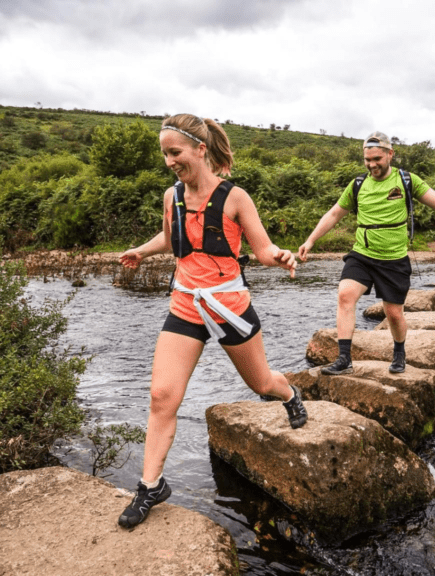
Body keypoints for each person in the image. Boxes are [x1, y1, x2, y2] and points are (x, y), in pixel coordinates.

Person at [116, 113, 307, 529]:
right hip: (185, 304)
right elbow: (171, 237)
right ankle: (151, 486)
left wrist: (282, 256)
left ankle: (290, 395)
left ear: (200, 150)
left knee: (262, 384)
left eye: (175, 152)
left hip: (228, 306)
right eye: (165, 154)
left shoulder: (236, 197)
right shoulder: (172, 197)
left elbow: (262, 249)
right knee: (161, 395)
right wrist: (141, 251)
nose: (169, 161)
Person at [297, 131, 435, 375]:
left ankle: (399, 352)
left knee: (393, 313)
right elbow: (334, 214)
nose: (372, 164)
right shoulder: (357, 185)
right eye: (367, 160)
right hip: (362, 254)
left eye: (377, 159)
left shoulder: (406, 180)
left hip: (393, 258)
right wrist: (310, 240)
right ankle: (344, 358)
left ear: (390, 154)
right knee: (345, 295)